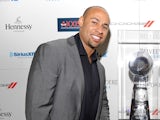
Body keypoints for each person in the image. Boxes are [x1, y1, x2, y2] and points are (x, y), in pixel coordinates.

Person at [25, 6, 110, 120]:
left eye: (105, 27)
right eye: (94, 22)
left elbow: (102, 107)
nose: (100, 30)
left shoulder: (100, 69)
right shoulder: (53, 51)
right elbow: (36, 110)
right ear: (81, 21)